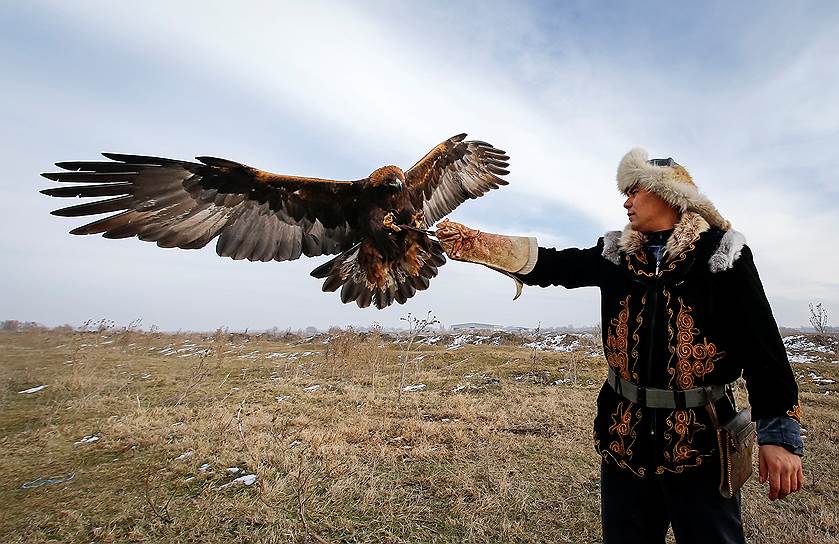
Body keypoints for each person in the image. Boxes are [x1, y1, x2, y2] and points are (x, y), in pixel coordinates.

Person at [435, 149, 804, 544]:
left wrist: (779, 436)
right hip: (624, 439)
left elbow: (763, 346)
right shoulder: (616, 256)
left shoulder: (721, 254)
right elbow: (554, 265)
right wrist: (475, 243)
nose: (625, 201)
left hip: (701, 443)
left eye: (634, 191)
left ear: (668, 194)